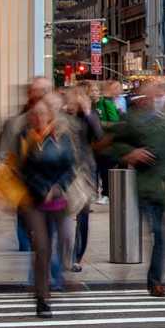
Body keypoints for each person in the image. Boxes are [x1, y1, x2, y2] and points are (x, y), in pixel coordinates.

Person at [107, 80, 165, 297]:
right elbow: (113, 142)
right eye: (151, 95)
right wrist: (130, 154)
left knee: (160, 235)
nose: (155, 98)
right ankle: (152, 280)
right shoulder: (133, 120)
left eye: (159, 93)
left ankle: (155, 279)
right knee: (153, 232)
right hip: (146, 185)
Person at [13, 95, 77, 318]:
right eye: (35, 114)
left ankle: (61, 276)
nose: (39, 117)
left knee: (66, 239)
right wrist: (42, 190)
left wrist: (57, 188)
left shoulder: (62, 137)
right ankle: (42, 298)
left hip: (58, 199)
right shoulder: (25, 138)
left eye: (42, 113)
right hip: (35, 201)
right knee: (42, 248)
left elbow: (70, 168)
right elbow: (21, 171)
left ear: (50, 115)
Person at [0, 76, 53, 251]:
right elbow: (5, 154)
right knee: (26, 228)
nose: (43, 95)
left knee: (50, 233)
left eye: (46, 91)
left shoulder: (59, 122)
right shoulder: (16, 124)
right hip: (26, 186)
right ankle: (26, 255)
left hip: (52, 187)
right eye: (39, 91)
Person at [63, 86, 103, 272]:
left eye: (78, 100)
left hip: (84, 171)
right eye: (71, 99)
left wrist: (87, 112)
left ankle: (76, 257)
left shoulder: (89, 116)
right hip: (64, 171)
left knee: (83, 215)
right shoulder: (60, 116)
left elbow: (99, 135)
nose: (74, 103)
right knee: (62, 215)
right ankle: (64, 254)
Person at [94, 80, 122, 206]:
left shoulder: (106, 103)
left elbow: (115, 122)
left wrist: (99, 124)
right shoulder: (96, 104)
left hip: (107, 141)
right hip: (98, 142)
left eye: (96, 91)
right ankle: (103, 193)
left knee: (106, 169)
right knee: (100, 168)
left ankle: (107, 194)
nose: (94, 93)